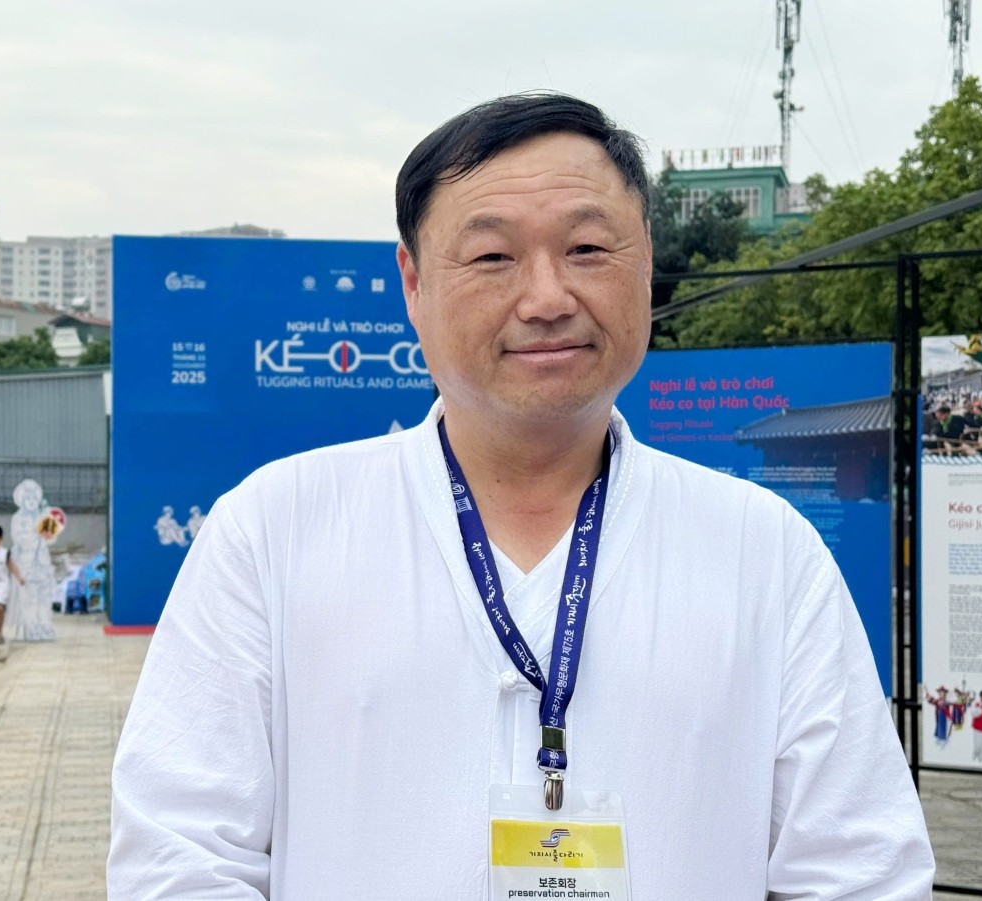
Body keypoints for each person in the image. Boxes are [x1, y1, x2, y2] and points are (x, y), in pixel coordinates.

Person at [109, 93, 934, 898]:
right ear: (413, 283)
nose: (546, 299)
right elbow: (178, 853)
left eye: (587, 248)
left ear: (646, 262)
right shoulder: (276, 530)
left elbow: (861, 871)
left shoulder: (765, 553)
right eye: (493, 257)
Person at [7, 478, 57, 641]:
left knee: (44, 596)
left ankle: (44, 625)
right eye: (27, 498)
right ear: (22, 500)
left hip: (42, 563)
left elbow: (51, 538)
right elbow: (19, 538)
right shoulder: (18, 518)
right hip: (26, 563)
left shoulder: (43, 516)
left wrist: (48, 521)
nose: (31, 501)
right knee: (29, 597)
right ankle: (31, 627)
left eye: (34, 498)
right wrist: (37, 534)